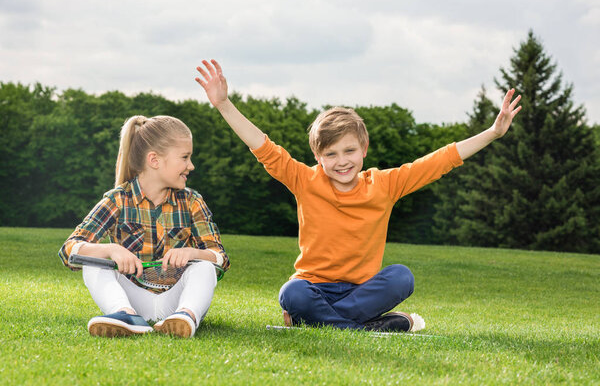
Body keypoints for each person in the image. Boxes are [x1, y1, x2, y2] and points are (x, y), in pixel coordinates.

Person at [195, 59, 521, 332]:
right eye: (331, 154)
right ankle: (371, 326)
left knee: (401, 277)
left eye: (349, 150)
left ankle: (321, 322)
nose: (342, 161)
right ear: (318, 157)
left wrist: (493, 132)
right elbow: (263, 148)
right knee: (291, 293)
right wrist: (224, 103)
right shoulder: (306, 180)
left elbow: (439, 161)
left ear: (363, 149)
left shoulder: (384, 184)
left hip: (363, 290)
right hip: (313, 287)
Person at [58, 115, 229, 338]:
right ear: (154, 160)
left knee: (204, 267)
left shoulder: (192, 202)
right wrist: (112, 250)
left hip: (175, 301)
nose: (191, 166)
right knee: (95, 262)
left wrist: (192, 253)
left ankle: (186, 317)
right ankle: (124, 315)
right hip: (133, 300)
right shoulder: (117, 200)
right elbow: (68, 250)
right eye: (185, 158)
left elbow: (220, 258)